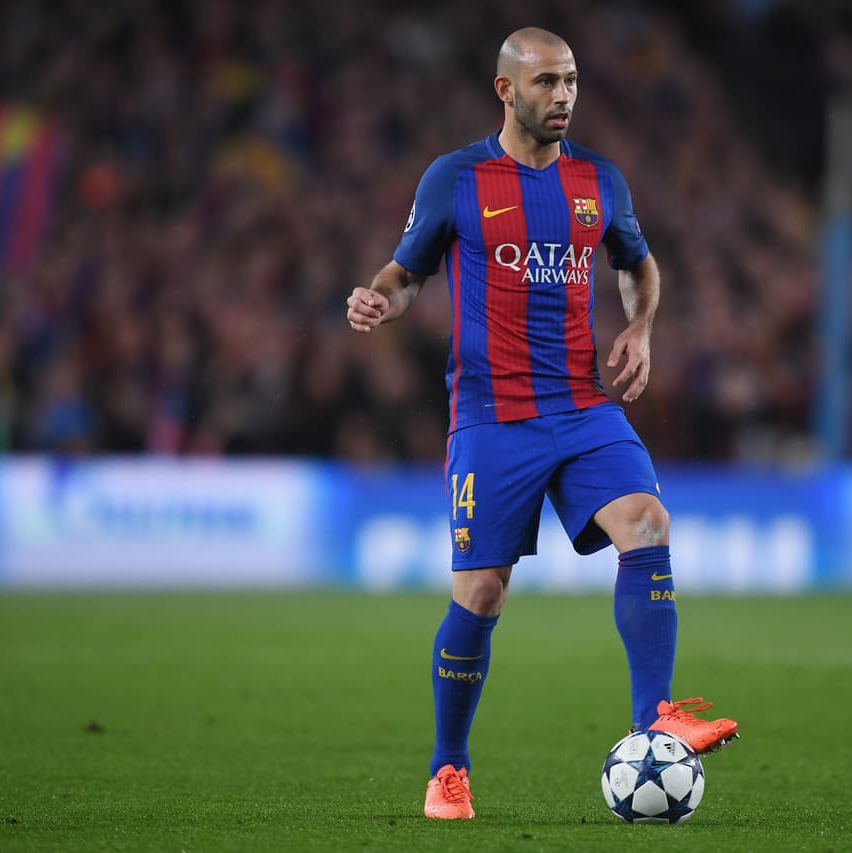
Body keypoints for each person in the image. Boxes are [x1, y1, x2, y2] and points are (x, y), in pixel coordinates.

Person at [345, 26, 739, 820]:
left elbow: (637, 262)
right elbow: (409, 267)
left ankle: (654, 718)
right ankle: (447, 768)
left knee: (647, 520)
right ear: (506, 89)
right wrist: (383, 296)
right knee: (482, 594)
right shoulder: (456, 178)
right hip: (492, 419)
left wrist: (640, 327)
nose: (562, 96)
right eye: (546, 83)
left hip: (581, 406)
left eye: (570, 82)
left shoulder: (600, 181)